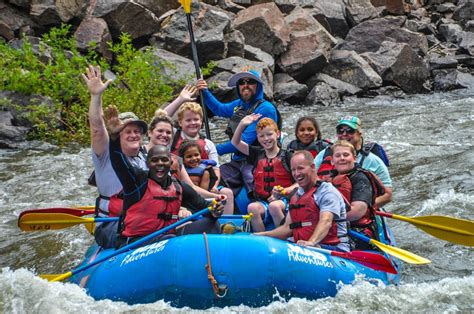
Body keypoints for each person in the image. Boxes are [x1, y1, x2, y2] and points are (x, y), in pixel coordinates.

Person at [107, 110, 225, 248]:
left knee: (211, 223)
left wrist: (215, 211)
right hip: (136, 241)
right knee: (168, 239)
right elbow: (119, 162)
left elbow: (206, 208)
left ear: (170, 163)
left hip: (168, 238)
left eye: (164, 160)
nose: (160, 164)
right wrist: (114, 138)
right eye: (154, 160)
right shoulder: (137, 182)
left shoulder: (179, 188)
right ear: (148, 163)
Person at [82, 65, 148, 249]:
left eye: (137, 131)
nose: (134, 135)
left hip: (142, 218)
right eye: (127, 131)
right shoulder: (106, 155)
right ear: (117, 134)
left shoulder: (145, 155)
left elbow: (163, 126)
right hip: (111, 224)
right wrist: (96, 96)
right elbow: (96, 129)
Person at [196, 69, 280, 197]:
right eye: (241, 82)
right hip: (237, 161)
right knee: (212, 177)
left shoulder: (265, 108)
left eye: (250, 82)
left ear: (258, 86)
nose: (245, 85)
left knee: (252, 181)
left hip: (257, 160)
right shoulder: (239, 105)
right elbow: (219, 108)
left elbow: (245, 140)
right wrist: (205, 91)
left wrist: (210, 150)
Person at [140, 110, 235, 215]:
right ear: (149, 132)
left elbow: (191, 188)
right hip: (150, 207)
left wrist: (215, 196)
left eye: (168, 132)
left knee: (213, 215)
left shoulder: (176, 160)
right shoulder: (138, 155)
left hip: (174, 203)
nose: (164, 135)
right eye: (160, 131)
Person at [256, 150, 350, 252]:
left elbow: (326, 221)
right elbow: (287, 229)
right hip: (305, 247)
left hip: (334, 249)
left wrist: (312, 242)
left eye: (300, 168)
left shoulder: (327, 192)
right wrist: (261, 236)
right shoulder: (297, 195)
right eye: (293, 170)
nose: (296, 174)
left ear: (313, 167)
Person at [231, 114, 297, 232]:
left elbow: (299, 183)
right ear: (257, 137)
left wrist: (284, 191)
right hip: (263, 202)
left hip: (285, 200)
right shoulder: (257, 154)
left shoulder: (288, 156)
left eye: (269, 134)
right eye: (261, 136)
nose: (266, 139)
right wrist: (242, 124)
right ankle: (262, 238)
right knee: (252, 207)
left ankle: (285, 236)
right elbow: (235, 143)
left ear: (278, 134)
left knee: (274, 206)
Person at [314, 116, 392, 206]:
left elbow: (388, 195)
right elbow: (310, 178)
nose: (344, 134)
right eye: (340, 130)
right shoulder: (324, 155)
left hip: (363, 211)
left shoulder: (373, 161)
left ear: (359, 133)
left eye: (349, 130)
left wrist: (363, 206)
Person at [330, 140, 386, 249]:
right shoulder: (331, 178)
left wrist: (325, 217)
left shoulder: (361, 178)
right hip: (337, 228)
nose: (342, 158)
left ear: (354, 158)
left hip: (359, 232)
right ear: (332, 161)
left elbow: (357, 211)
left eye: (346, 155)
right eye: (338, 155)